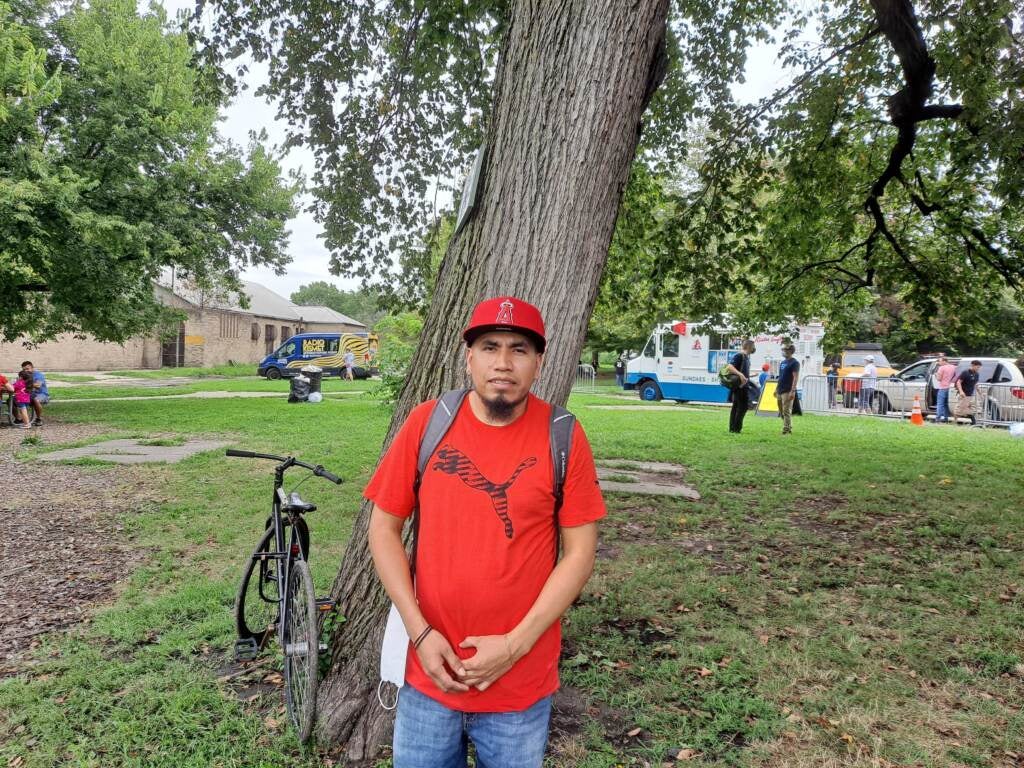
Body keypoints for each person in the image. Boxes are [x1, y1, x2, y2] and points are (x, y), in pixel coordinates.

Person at [366, 295, 606, 768]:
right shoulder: (427, 423)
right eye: (490, 346)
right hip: (428, 677)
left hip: (519, 686)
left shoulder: (563, 435)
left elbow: (580, 553)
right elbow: (383, 528)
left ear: (539, 362)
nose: (503, 363)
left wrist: (513, 646)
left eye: (519, 349)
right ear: (468, 357)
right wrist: (420, 633)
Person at [725, 340, 755, 434]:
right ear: (749, 346)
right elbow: (729, 367)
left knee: (737, 406)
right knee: (743, 406)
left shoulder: (746, 357)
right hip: (739, 387)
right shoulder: (739, 355)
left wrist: (749, 376)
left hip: (743, 385)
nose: (754, 348)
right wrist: (741, 375)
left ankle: (733, 428)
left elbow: (742, 371)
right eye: (753, 346)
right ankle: (736, 428)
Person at [775, 344, 800, 434]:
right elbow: (780, 376)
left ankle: (786, 429)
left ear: (790, 351)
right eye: (783, 350)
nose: (783, 351)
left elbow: (795, 377)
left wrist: (792, 391)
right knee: (781, 410)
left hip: (787, 390)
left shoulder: (795, 363)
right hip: (780, 389)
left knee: (786, 410)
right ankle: (788, 425)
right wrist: (776, 388)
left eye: (785, 350)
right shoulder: (783, 362)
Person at [954, 359, 982, 426]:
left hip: (971, 395)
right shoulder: (965, 372)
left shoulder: (977, 374)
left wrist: (980, 393)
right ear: (973, 365)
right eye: (977, 367)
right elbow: (958, 382)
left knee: (976, 407)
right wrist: (961, 391)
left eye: (979, 367)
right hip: (964, 395)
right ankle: (954, 422)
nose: (979, 369)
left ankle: (974, 422)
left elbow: (975, 384)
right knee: (959, 410)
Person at [20, 361, 48, 426]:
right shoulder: (23, 375)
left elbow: (38, 385)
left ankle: (38, 419)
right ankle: (18, 419)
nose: (26, 371)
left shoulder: (39, 375)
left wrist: (25, 383)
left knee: (36, 400)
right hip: (29, 394)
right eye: (24, 369)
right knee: (13, 399)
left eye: (27, 369)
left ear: (32, 368)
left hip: (41, 394)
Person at [933, 354, 957, 423]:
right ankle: (946, 418)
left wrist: (936, 374)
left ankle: (938, 418)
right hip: (950, 387)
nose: (939, 363)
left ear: (944, 361)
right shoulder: (954, 367)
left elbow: (939, 379)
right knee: (946, 404)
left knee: (940, 403)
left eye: (940, 361)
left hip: (943, 387)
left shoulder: (941, 368)